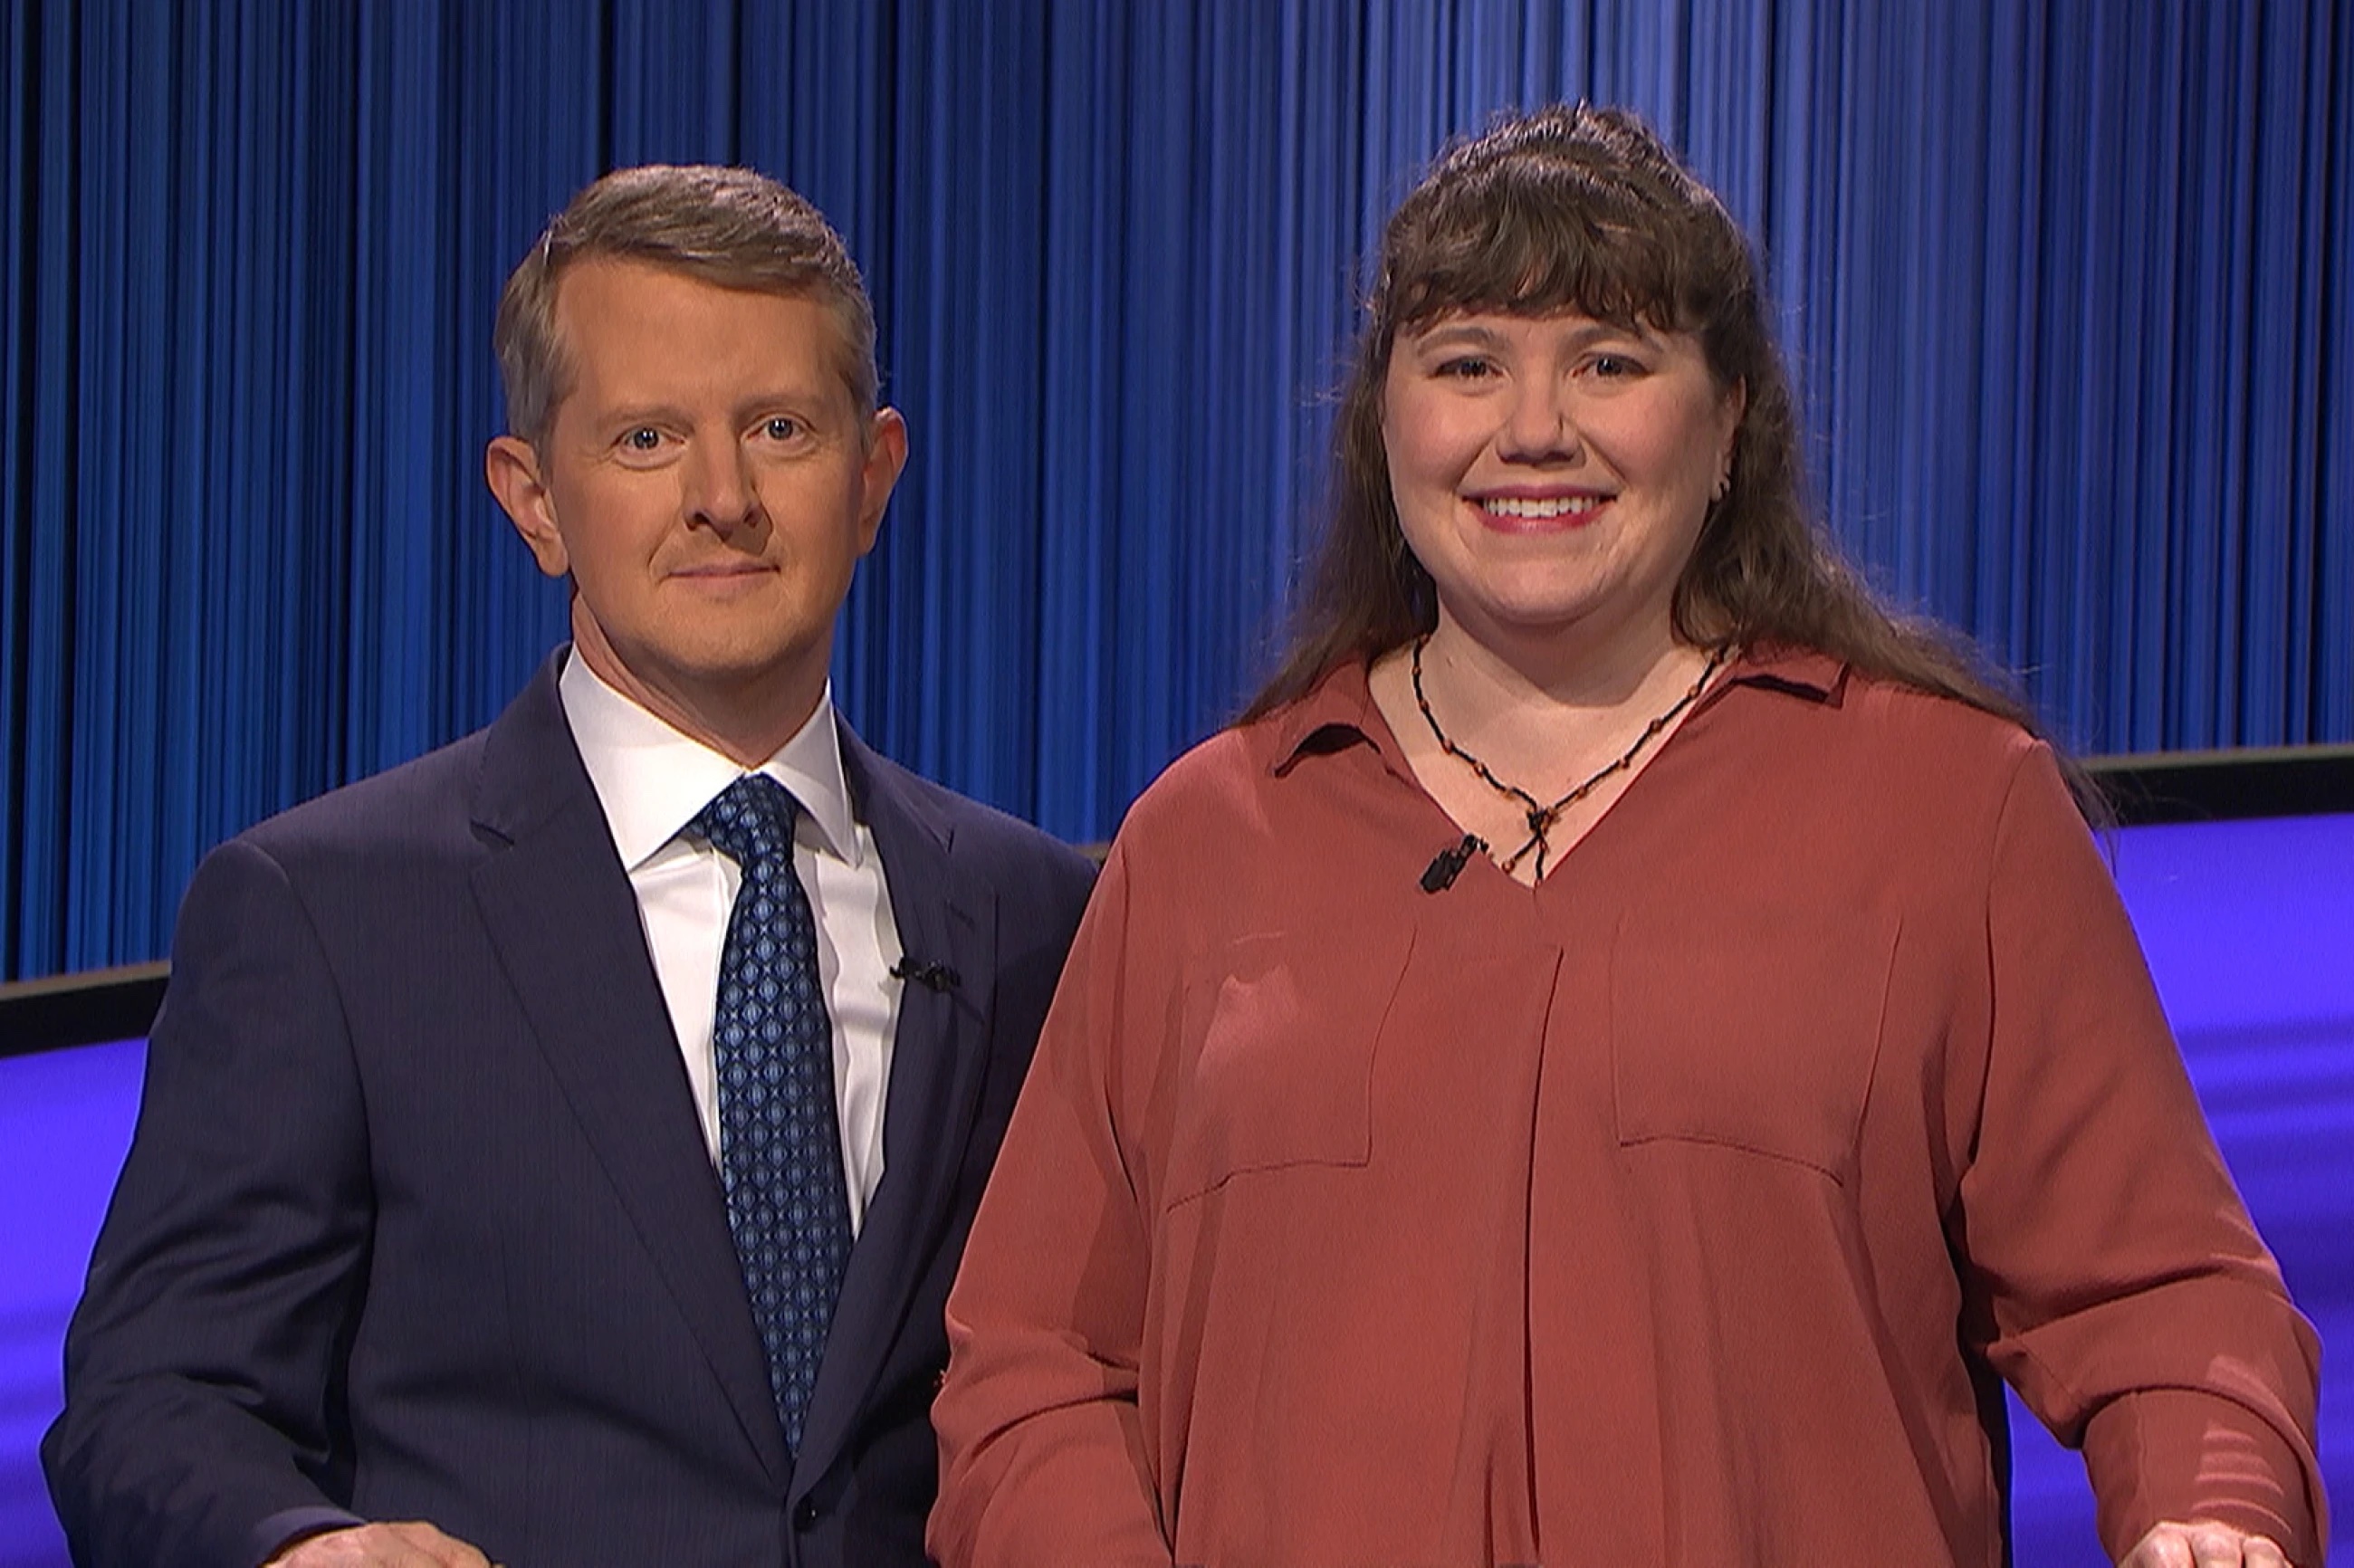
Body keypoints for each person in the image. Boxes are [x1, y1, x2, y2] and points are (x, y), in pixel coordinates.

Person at [928, 106, 2325, 1568]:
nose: (1533, 428)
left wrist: (2208, 1511)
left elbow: (2167, 1301)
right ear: (1385, 427)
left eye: (1610, 360)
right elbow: (1036, 1368)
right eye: (1468, 365)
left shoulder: (1949, 810)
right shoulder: (1206, 839)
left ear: (1728, 426)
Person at [43, 165, 1096, 1567]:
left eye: (778, 427)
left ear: (872, 475)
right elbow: (153, 1396)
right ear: (533, 500)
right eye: (649, 439)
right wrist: (291, 1544)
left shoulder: (1033, 911)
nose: (722, 498)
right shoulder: (328, 916)